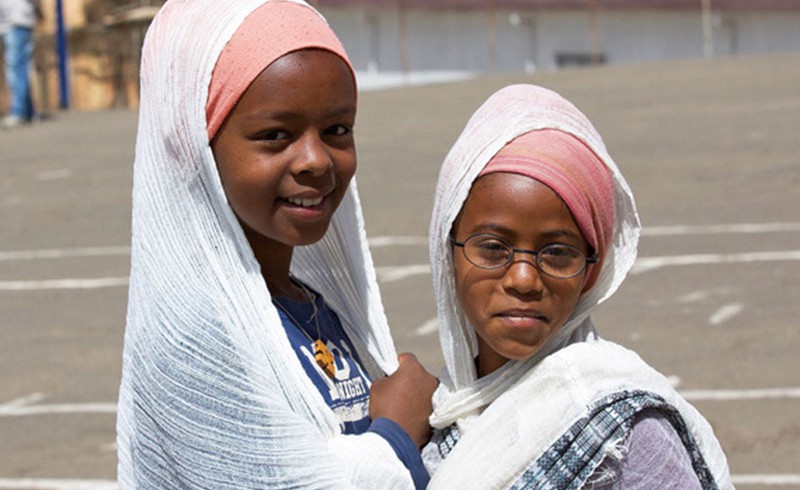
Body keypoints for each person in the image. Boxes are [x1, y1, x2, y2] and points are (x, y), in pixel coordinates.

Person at [116, 0, 437, 488]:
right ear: (194, 148)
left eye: (337, 130)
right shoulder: (194, 334)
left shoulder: (307, 303)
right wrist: (395, 433)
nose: (315, 160)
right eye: (275, 135)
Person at [422, 84, 733, 489]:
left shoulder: (619, 427)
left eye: (557, 253)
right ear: (448, 253)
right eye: (493, 248)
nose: (523, 279)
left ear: (592, 269)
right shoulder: (440, 411)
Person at [0, 0, 40, 128]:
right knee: (20, 68)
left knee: (15, 67)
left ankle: (19, 112)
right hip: (12, 20)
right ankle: (28, 112)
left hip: (16, 20)